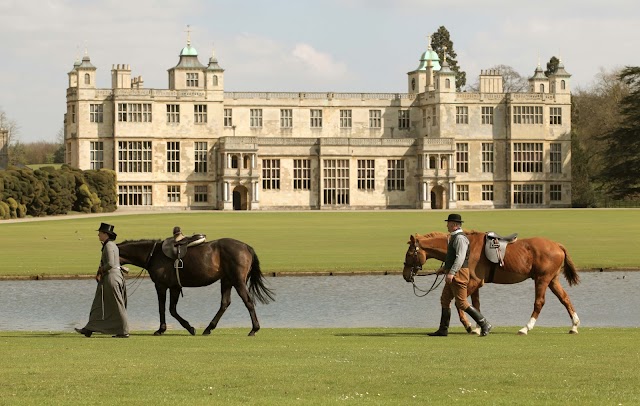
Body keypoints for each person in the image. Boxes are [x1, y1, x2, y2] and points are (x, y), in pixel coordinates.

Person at [428, 213, 492, 337]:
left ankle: (484, 324)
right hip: (453, 273)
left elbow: (460, 258)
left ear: (455, 225)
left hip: (459, 274)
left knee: (462, 303)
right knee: (445, 300)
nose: (447, 225)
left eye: (448, 223)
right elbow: (451, 258)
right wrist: (444, 268)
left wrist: (451, 272)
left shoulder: (460, 239)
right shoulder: (454, 237)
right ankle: (443, 329)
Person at [75, 223, 129, 338]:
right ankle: (89, 328)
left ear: (105, 234)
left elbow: (110, 263)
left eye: (100, 233)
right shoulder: (111, 245)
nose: (98, 235)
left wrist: (101, 270)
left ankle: (124, 331)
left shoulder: (109, 246)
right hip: (111, 277)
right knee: (98, 303)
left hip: (111, 277)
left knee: (117, 305)